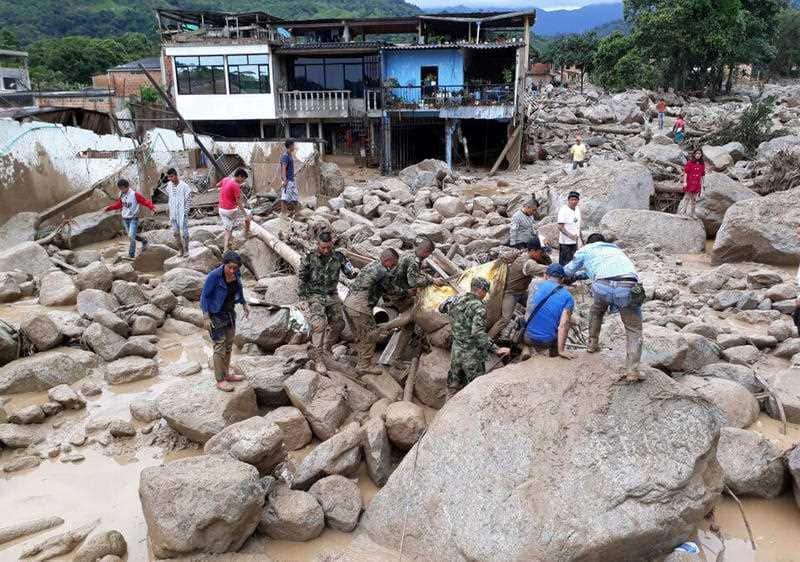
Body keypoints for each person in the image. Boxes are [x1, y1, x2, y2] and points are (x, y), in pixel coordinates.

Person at [564, 233, 643, 382]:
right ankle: (632, 371)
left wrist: (559, 273)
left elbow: (568, 271)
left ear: (588, 243)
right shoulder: (616, 250)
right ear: (604, 242)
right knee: (634, 329)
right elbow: (612, 272)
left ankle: (592, 344)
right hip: (628, 286)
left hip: (602, 287)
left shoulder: (586, 250)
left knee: (596, 311)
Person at [439, 277, 510, 401]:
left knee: (453, 385)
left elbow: (441, 308)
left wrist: (453, 300)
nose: (485, 295)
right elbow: (477, 333)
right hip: (471, 354)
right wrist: (496, 349)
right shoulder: (479, 308)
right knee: (476, 388)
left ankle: (445, 414)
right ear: (480, 290)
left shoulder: (456, 300)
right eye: (485, 292)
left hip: (456, 350)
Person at [297, 231, 357, 371]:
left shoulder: (338, 256)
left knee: (339, 324)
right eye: (323, 247)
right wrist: (301, 297)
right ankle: (318, 359)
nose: (326, 250)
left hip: (332, 294)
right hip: (315, 294)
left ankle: (326, 348)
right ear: (318, 244)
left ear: (332, 245)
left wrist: (354, 271)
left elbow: (349, 272)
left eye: (328, 247)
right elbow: (302, 277)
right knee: (319, 325)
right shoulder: (309, 257)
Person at [200, 251, 251, 392]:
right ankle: (220, 380)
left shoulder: (236, 274)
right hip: (215, 314)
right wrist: (206, 317)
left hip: (229, 312)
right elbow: (204, 296)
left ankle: (227, 374)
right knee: (219, 346)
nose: (232, 271)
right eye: (230, 267)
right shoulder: (214, 276)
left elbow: (239, 288)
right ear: (224, 265)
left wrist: (244, 303)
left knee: (229, 345)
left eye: (235, 268)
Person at [343, 248, 399, 375]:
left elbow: (376, 287)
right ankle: (363, 366)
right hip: (359, 307)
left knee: (360, 334)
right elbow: (392, 290)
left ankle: (359, 356)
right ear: (388, 261)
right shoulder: (383, 271)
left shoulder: (372, 264)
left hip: (348, 303)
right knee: (372, 334)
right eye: (394, 263)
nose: (394, 266)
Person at [488, 237, 551, 340]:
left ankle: (528, 330)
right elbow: (543, 269)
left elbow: (547, 262)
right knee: (505, 318)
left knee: (538, 306)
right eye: (540, 252)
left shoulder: (529, 257)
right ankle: (487, 339)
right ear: (532, 251)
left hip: (521, 292)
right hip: (511, 293)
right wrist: (558, 270)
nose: (541, 254)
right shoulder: (527, 262)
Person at [523, 264, 574, 358]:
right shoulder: (568, 297)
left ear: (545, 276)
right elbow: (563, 325)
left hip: (528, 337)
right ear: (562, 279)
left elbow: (530, 305)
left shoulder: (534, 284)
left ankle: (526, 348)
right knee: (559, 329)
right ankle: (554, 357)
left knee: (525, 318)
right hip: (546, 342)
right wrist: (561, 350)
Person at [382, 238, 443, 315]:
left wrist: (430, 278)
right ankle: (395, 305)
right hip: (392, 288)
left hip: (389, 281)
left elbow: (414, 272)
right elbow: (413, 282)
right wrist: (432, 280)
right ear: (426, 252)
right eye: (429, 254)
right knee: (415, 305)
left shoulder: (409, 252)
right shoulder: (414, 261)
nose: (428, 256)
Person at [104, 178, 155, 259]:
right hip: (125, 218)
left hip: (133, 218)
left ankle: (131, 254)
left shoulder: (135, 194)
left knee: (131, 236)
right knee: (132, 236)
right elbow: (119, 204)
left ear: (127, 187)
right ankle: (144, 240)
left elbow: (145, 201)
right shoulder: (121, 194)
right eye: (120, 188)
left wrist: (152, 207)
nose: (121, 190)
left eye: (122, 188)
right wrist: (109, 208)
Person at [218, 168, 251, 253]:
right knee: (249, 213)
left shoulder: (225, 179)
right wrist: (245, 214)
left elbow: (217, 185)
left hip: (221, 209)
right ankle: (248, 233)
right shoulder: (236, 185)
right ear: (240, 176)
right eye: (243, 179)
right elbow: (238, 202)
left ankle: (226, 248)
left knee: (228, 228)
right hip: (230, 210)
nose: (243, 181)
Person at [164, 168, 192, 257]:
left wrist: (186, 211)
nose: (171, 179)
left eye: (172, 176)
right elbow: (170, 197)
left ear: (176, 175)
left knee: (184, 233)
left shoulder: (184, 186)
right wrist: (168, 207)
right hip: (173, 212)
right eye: (169, 177)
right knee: (175, 233)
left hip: (182, 212)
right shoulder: (169, 185)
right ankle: (181, 250)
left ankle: (186, 250)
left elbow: (188, 199)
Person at [557, 191, 582, 266]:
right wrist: (570, 236)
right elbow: (560, 227)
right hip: (565, 243)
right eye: (572, 200)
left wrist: (581, 239)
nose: (574, 201)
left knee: (573, 262)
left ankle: (571, 277)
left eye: (575, 200)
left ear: (578, 200)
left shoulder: (577, 209)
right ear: (568, 200)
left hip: (575, 242)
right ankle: (563, 277)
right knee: (565, 264)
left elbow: (578, 225)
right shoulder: (563, 210)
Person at [682, 149, 705, 219]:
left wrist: (703, 184)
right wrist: (685, 182)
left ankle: (692, 213)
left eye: (699, 153)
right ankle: (683, 212)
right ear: (694, 154)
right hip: (689, 182)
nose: (698, 155)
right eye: (696, 153)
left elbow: (702, 175)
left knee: (694, 199)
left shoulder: (702, 164)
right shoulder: (690, 163)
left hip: (697, 183)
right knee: (687, 198)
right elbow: (686, 172)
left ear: (701, 155)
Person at [280, 139, 299, 216]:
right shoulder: (285, 156)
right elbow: (283, 168)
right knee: (284, 198)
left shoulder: (290, 155)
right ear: (290, 145)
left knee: (295, 196)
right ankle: (283, 213)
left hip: (291, 180)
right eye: (293, 145)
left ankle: (295, 212)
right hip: (287, 180)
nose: (294, 147)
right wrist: (284, 180)